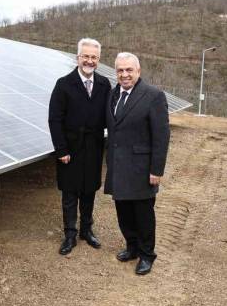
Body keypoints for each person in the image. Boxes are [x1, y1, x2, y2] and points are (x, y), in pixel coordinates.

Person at [104, 52, 170, 275]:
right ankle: (131, 247)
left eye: (129, 70)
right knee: (123, 211)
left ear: (138, 71)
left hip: (142, 169)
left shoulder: (153, 96)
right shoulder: (113, 95)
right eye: (120, 70)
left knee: (143, 214)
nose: (124, 74)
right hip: (118, 166)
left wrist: (156, 170)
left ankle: (146, 254)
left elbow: (161, 136)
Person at [48, 38, 111, 255]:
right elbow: (55, 120)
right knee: (69, 192)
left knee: (89, 190)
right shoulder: (63, 84)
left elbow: (109, 117)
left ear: (98, 60)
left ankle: (86, 230)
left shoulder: (104, 84)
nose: (90, 60)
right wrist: (61, 149)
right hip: (70, 149)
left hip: (94, 147)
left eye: (94, 57)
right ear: (78, 58)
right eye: (86, 56)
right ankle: (70, 234)